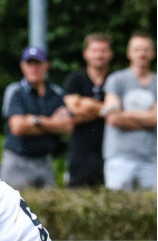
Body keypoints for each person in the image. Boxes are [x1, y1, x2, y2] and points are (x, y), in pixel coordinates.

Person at [0, 46, 73, 189]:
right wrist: (51, 123)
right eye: (29, 64)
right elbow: (18, 127)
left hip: (45, 162)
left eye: (38, 63)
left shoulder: (56, 93)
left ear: (46, 65)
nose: (33, 68)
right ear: (22, 66)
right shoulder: (15, 91)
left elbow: (67, 126)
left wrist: (33, 121)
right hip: (17, 162)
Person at [101, 33, 158, 190]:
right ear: (129, 53)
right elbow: (113, 119)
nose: (142, 54)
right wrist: (149, 117)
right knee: (118, 210)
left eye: (146, 50)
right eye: (137, 49)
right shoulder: (116, 80)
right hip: (120, 158)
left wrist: (127, 113)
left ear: (153, 53)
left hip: (152, 159)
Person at [63, 34, 113, 187]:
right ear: (86, 53)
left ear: (110, 53)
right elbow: (72, 114)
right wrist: (108, 108)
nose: (99, 55)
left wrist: (86, 103)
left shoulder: (116, 79)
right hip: (80, 153)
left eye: (103, 50)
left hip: (111, 152)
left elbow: (122, 112)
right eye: (94, 50)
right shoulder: (75, 79)